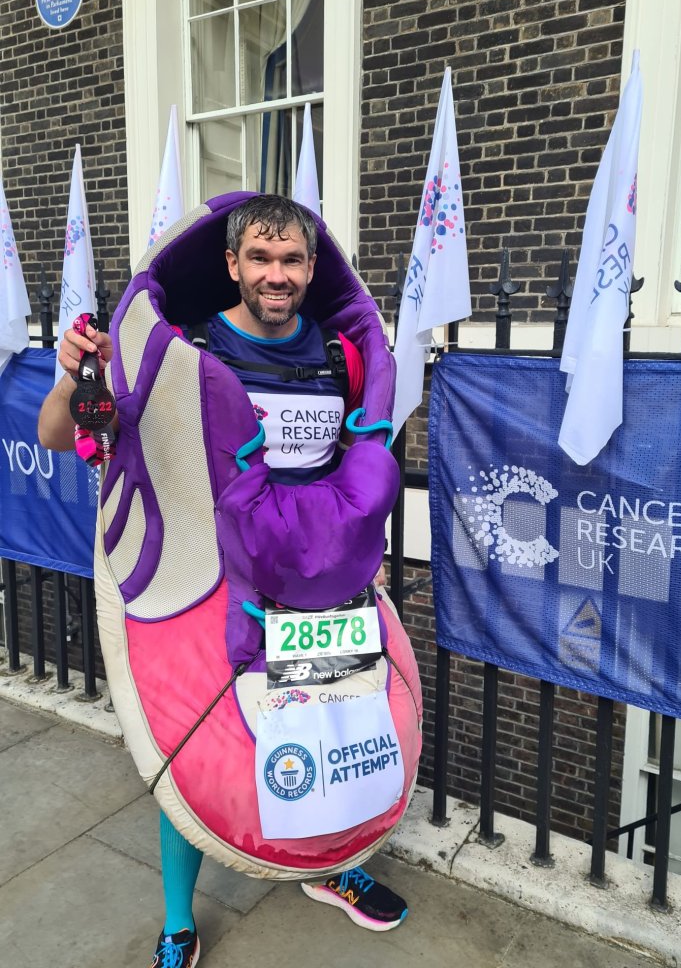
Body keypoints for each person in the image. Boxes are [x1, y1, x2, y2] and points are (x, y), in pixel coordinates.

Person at [38, 195, 408, 968]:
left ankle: (327, 866)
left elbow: (352, 458)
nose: (277, 275)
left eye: (292, 259)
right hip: (213, 584)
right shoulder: (185, 352)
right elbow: (64, 435)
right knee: (194, 746)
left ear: (311, 267)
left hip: (315, 585)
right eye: (261, 258)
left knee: (337, 722)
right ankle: (179, 922)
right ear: (233, 263)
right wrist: (74, 377)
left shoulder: (340, 355)